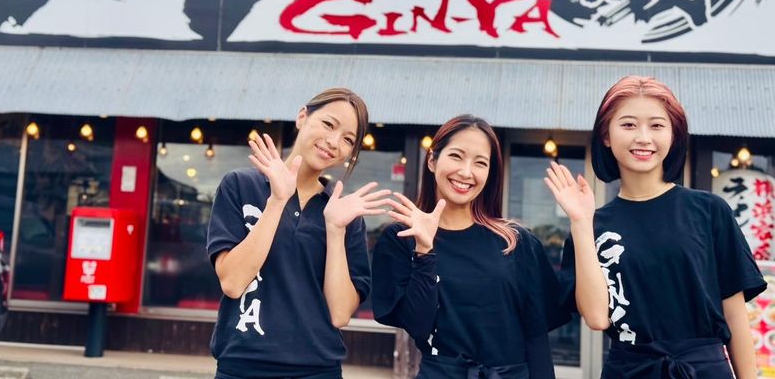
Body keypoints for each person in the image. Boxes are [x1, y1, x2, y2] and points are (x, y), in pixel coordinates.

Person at [545, 75, 765, 378]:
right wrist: (582, 224)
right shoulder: (591, 226)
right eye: (628, 125)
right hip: (629, 370)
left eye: (657, 125)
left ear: (673, 135)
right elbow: (597, 318)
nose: (643, 137)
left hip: (703, 370)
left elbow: (735, 315)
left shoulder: (709, 211)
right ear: (606, 135)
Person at [206, 87, 391, 379]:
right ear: (302, 116)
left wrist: (335, 229)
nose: (333, 142)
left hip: (318, 370)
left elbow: (340, 314)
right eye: (328, 124)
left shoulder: (344, 214)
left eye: (348, 140)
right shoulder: (241, 185)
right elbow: (232, 282)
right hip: (242, 365)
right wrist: (277, 201)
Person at [372, 114, 569, 379]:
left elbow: (536, 337)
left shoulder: (516, 241)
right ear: (432, 160)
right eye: (456, 156)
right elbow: (418, 327)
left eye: (480, 163)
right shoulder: (402, 237)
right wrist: (424, 250)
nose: (466, 172)